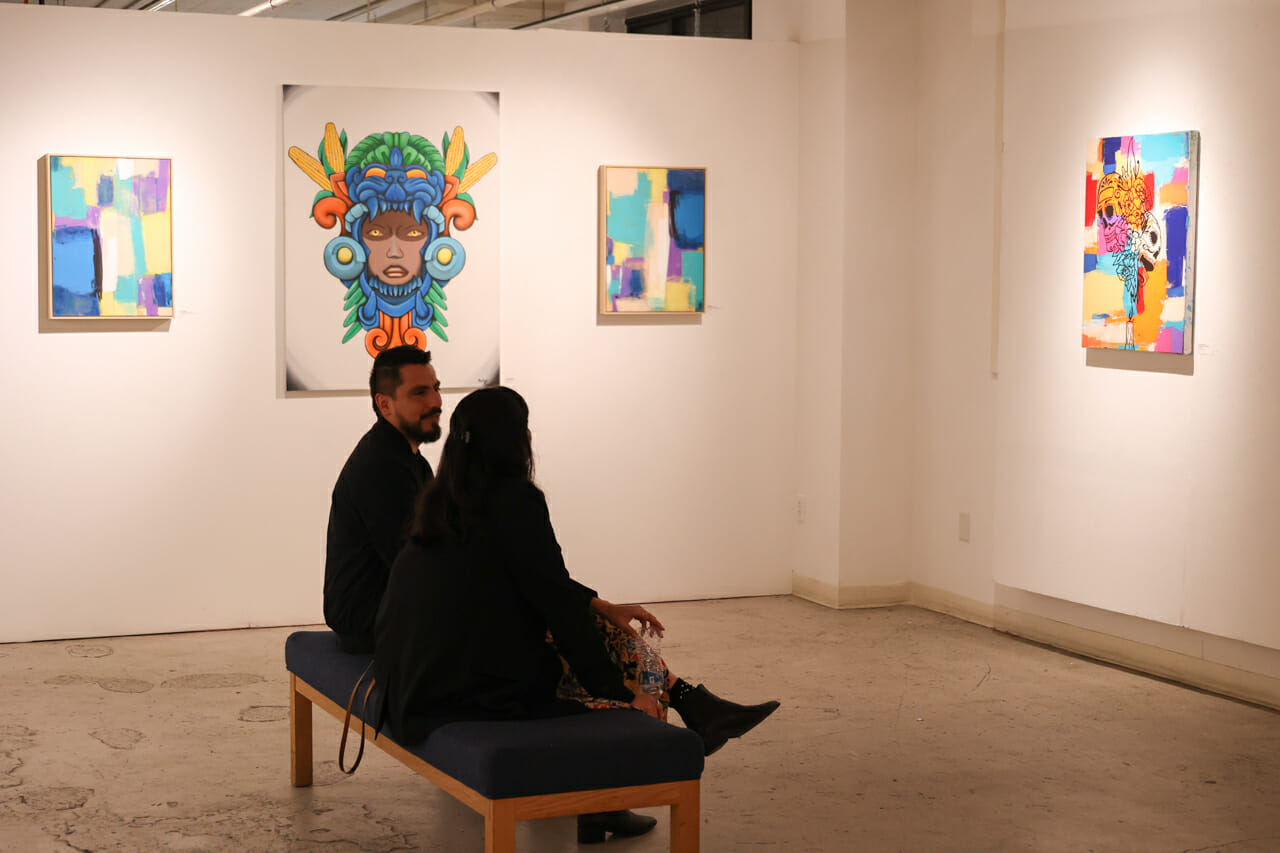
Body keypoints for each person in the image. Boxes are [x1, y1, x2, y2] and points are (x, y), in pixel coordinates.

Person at [373, 386, 779, 843]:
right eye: (524, 428)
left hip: (413, 681)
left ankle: (693, 708)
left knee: (607, 630)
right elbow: (559, 609)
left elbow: (538, 585)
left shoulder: (442, 501)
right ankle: (654, 739)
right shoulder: (516, 502)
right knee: (626, 672)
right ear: (512, 441)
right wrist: (623, 699)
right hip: (467, 694)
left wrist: (600, 606)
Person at [324, 346, 442, 653]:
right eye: (420, 393)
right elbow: (413, 561)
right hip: (367, 621)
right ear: (385, 405)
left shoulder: (410, 460)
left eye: (435, 388)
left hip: (389, 609)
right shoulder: (380, 466)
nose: (436, 402)